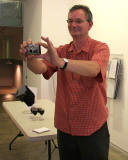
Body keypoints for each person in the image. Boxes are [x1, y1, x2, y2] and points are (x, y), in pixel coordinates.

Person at [20, 4, 110, 160]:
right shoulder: (61, 51)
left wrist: (61, 62)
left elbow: (94, 69)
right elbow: (41, 68)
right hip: (65, 127)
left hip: (92, 128)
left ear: (90, 24)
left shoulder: (100, 48)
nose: (73, 25)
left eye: (78, 21)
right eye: (69, 21)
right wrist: (30, 60)